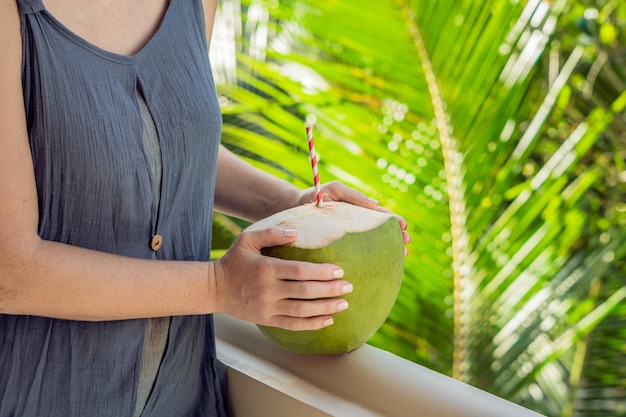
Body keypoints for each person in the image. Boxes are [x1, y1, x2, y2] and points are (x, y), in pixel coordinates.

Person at [0, 0, 410, 415]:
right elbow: (10, 272)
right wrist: (221, 287)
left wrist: (292, 205)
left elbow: (174, 142)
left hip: (187, 398)